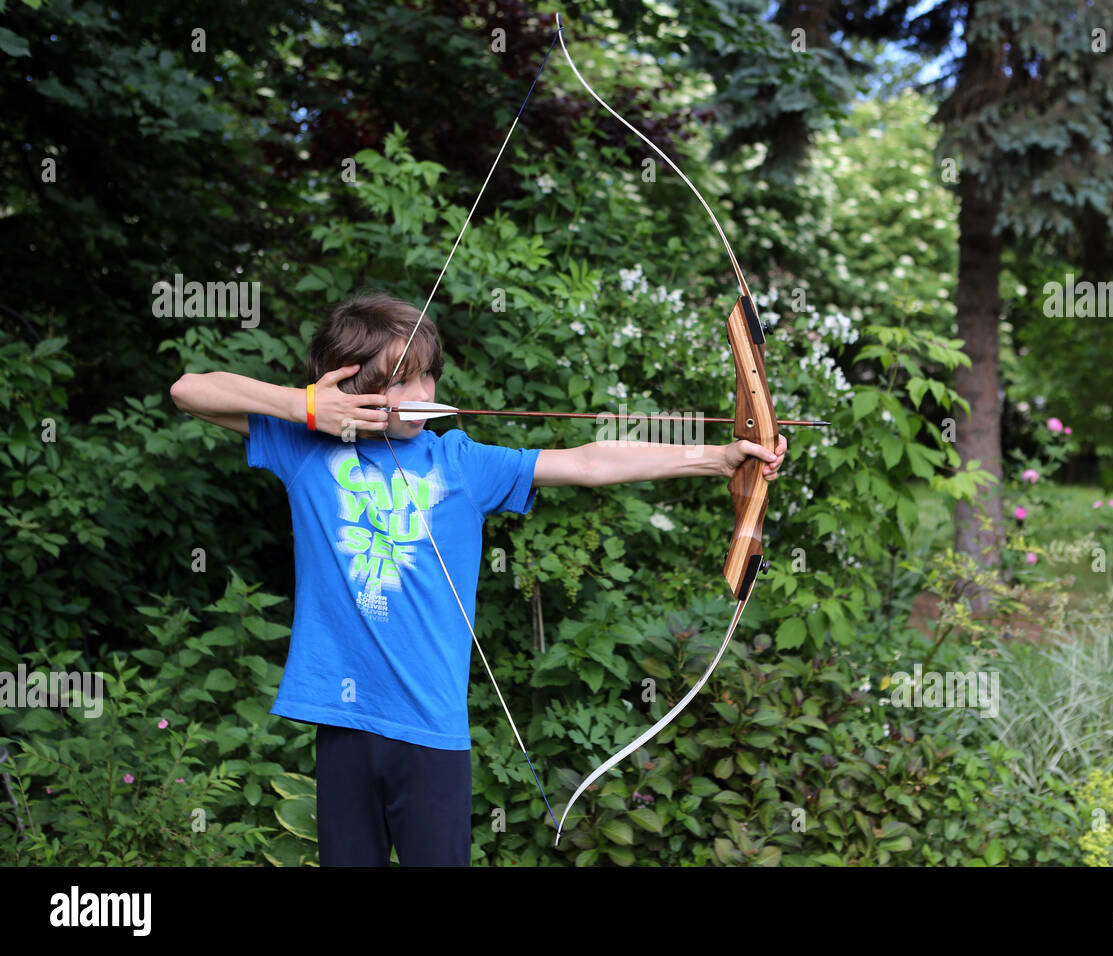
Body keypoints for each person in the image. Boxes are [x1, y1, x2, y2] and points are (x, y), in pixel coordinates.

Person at [169, 292, 787, 866]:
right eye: (398, 379)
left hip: (432, 731)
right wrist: (306, 405)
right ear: (348, 386)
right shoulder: (304, 448)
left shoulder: (459, 461)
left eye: (427, 373)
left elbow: (588, 461)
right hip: (344, 720)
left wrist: (717, 457)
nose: (422, 389)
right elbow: (189, 389)